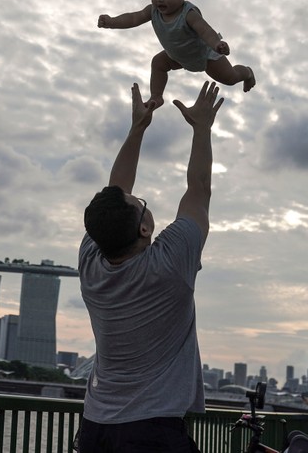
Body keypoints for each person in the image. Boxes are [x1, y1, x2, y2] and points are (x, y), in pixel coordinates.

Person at [77, 81, 224, 452]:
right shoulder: (169, 265)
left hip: (95, 428)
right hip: (151, 432)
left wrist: (137, 127)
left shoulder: (92, 260)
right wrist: (202, 128)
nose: (140, 199)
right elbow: (199, 189)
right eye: (140, 202)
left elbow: (115, 192)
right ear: (145, 228)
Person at [98, 0, 256, 108]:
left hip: (205, 55)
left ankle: (247, 73)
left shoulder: (188, 14)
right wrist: (112, 22)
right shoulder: (152, 11)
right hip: (177, 56)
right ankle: (156, 97)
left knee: (230, 78)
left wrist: (217, 44)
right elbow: (133, 18)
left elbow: (205, 30)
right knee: (158, 62)